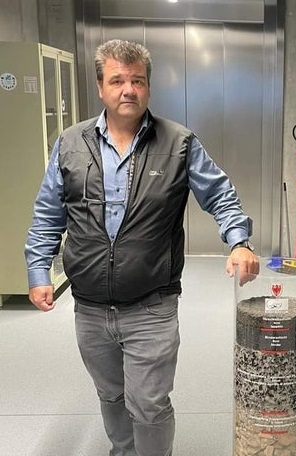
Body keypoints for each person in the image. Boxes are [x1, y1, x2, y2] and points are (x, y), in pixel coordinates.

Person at [25, 39, 259, 456]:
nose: (128, 90)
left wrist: (239, 242)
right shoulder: (71, 143)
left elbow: (220, 195)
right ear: (100, 87)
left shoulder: (179, 142)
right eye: (117, 80)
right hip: (90, 307)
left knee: (149, 404)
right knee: (111, 396)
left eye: (137, 80)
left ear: (148, 87)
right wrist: (39, 270)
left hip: (152, 305)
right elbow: (48, 214)